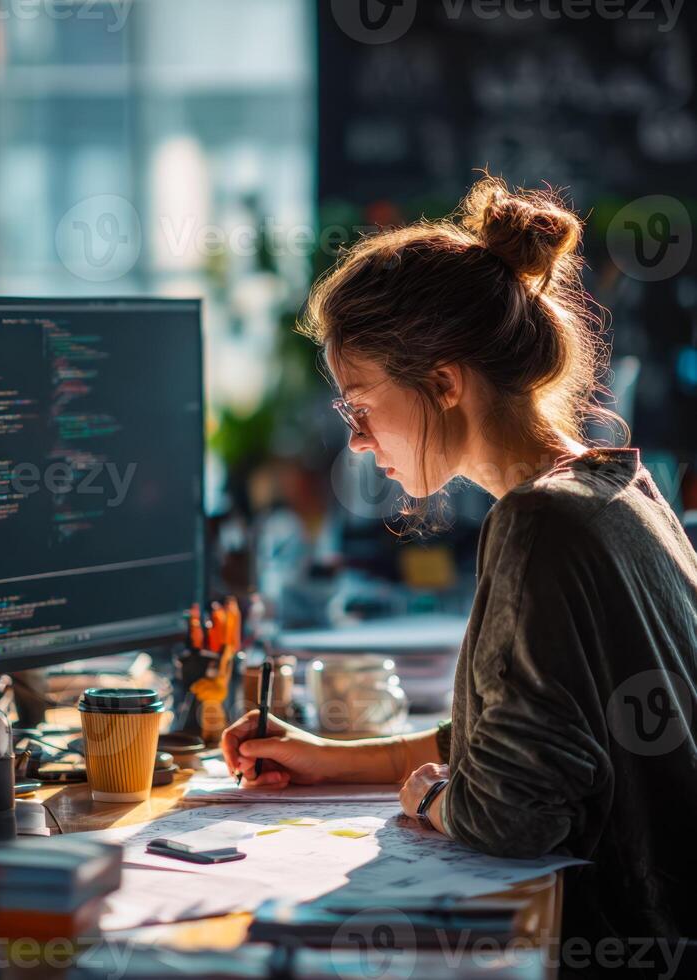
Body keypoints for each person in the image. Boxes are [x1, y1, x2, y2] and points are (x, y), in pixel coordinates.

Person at [222, 176, 697, 964]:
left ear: (444, 383)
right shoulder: (616, 486)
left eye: (358, 404)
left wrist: (439, 800)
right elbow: (514, 736)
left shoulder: (538, 522)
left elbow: (512, 813)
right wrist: (323, 759)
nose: (358, 441)